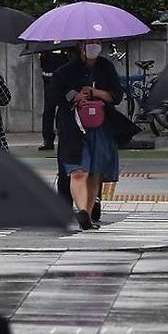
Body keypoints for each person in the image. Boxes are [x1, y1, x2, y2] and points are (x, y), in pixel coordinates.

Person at [53, 40, 124, 230]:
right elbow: (54, 96)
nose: (94, 45)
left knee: (95, 171)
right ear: (79, 46)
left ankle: (89, 213)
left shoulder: (106, 67)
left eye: (97, 41)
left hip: (101, 126)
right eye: (89, 42)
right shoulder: (65, 72)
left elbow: (116, 95)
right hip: (73, 128)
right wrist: (74, 97)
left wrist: (95, 93)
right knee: (78, 170)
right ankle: (82, 211)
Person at [38, 0, 75, 151]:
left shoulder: (49, 19)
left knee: (50, 107)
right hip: (64, 69)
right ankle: (63, 136)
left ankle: (49, 139)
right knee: (65, 105)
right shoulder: (72, 19)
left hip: (51, 71)